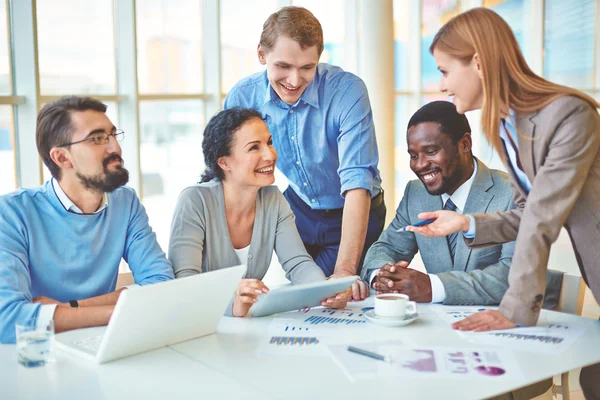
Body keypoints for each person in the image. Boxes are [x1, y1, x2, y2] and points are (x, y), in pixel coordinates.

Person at [405, 8, 600, 398]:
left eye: (445, 70)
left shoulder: (569, 115)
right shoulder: (508, 125)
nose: (442, 84)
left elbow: (543, 219)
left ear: (477, 61)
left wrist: (513, 310)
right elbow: (529, 212)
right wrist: (467, 224)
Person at [223, 6, 385, 301]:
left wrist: (345, 271)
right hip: (299, 210)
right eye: (283, 66)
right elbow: (231, 179)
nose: (295, 80)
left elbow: (357, 182)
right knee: (303, 299)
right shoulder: (242, 97)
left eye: (307, 68)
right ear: (262, 55)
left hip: (354, 211)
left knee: (336, 296)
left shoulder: (347, 91)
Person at [0, 96, 174, 344]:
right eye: (97, 138)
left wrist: (71, 308)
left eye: (113, 134)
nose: (115, 147)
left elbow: (162, 285)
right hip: (40, 354)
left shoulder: (125, 203)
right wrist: (114, 312)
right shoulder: (12, 212)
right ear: (61, 158)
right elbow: (7, 319)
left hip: (106, 345)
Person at [361, 101, 563, 307]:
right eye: (413, 156)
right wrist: (382, 276)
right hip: (445, 327)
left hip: (511, 322)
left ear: (465, 144)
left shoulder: (513, 193)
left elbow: (514, 274)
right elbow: (387, 247)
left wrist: (432, 286)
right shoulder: (416, 193)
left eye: (431, 151)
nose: (420, 164)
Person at [168, 107, 350, 318]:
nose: (270, 154)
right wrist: (232, 306)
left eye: (269, 143)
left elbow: (298, 263)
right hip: (199, 327)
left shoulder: (273, 199)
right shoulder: (195, 201)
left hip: (245, 328)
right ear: (224, 162)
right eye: (254, 147)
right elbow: (184, 284)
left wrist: (325, 292)